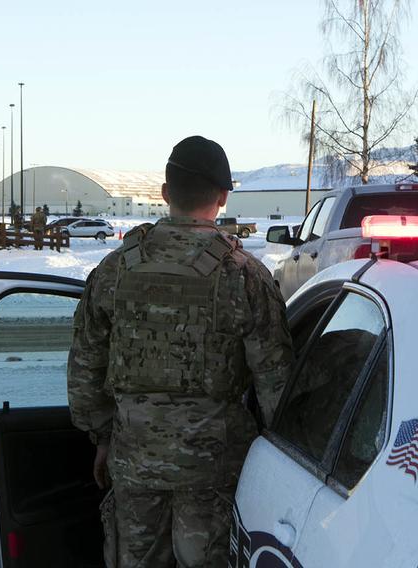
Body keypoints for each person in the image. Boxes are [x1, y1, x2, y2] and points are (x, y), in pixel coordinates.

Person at [67, 135, 294, 567]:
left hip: (133, 460)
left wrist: (101, 437)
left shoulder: (115, 269)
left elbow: (84, 369)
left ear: (165, 192)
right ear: (224, 197)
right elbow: (275, 382)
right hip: (213, 466)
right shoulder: (245, 276)